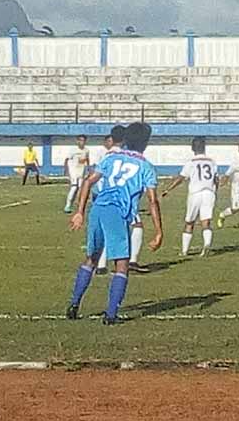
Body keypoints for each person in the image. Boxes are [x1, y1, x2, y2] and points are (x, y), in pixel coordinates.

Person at [66, 122, 163, 325]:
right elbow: (152, 200)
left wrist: (79, 212)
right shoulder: (146, 167)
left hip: (98, 208)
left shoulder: (110, 157)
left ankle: (74, 305)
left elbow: (88, 181)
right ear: (146, 143)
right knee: (122, 264)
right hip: (117, 212)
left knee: (91, 258)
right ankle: (111, 315)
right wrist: (158, 231)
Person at [94, 125, 148, 275]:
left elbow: (93, 176)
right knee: (137, 225)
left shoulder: (105, 155)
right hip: (121, 198)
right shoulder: (126, 156)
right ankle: (132, 261)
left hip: (101, 196)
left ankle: (100, 264)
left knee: (106, 229)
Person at [161, 137, 217, 257]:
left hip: (195, 193)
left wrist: (168, 189)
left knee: (189, 222)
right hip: (209, 193)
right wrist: (215, 190)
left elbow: (181, 178)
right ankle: (206, 245)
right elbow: (216, 179)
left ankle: (184, 251)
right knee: (206, 222)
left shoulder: (191, 162)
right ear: (204, 147)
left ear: (192, 148)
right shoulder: (211, 162)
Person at [217, 141, 239, 230]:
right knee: (235, 208)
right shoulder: (236, 162)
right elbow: (227, 174)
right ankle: (222, 215)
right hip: (237, 188)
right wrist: (221, 183)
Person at [63, 135, 90, 213]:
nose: (82, 142)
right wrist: (66, 170)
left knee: (80, 188)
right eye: (80, 140)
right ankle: (67, 206)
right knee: (74, 187)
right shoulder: (73, 150)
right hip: (73, 171)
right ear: (77, 141)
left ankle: (77, 204)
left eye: (83, 140)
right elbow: (67, 159)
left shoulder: (86, 150)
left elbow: (87, 159)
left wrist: (88, 168)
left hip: (81, 171)